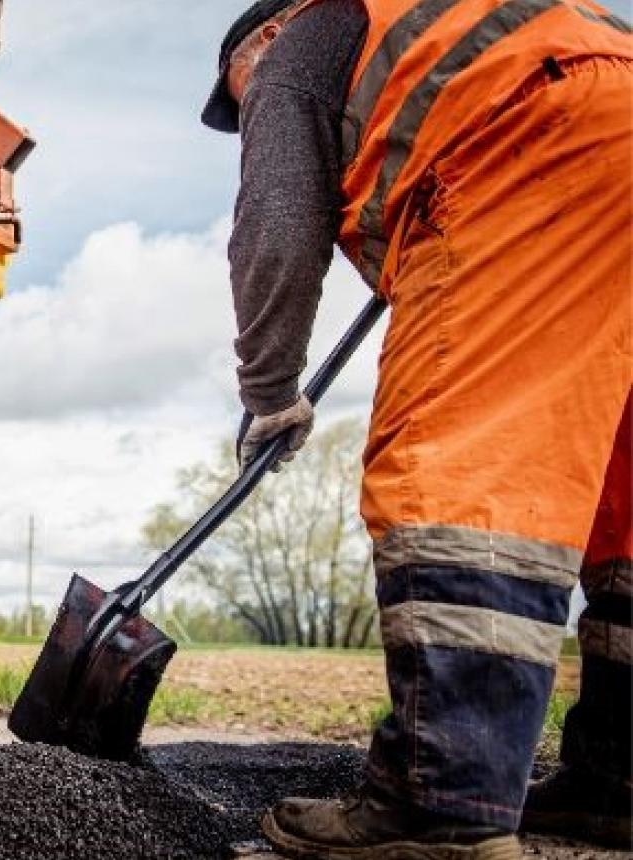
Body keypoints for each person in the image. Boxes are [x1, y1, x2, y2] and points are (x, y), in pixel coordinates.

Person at [204, 0, 632, 857]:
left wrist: (271, 391)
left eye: (235, 94)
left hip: (522, 149)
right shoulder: (470, 24)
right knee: (623, 496)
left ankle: (446, 805)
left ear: (264, 37)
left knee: (458, 477)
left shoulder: (305, 43)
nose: (246, 108)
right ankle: (617, 780)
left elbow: (277, 231)